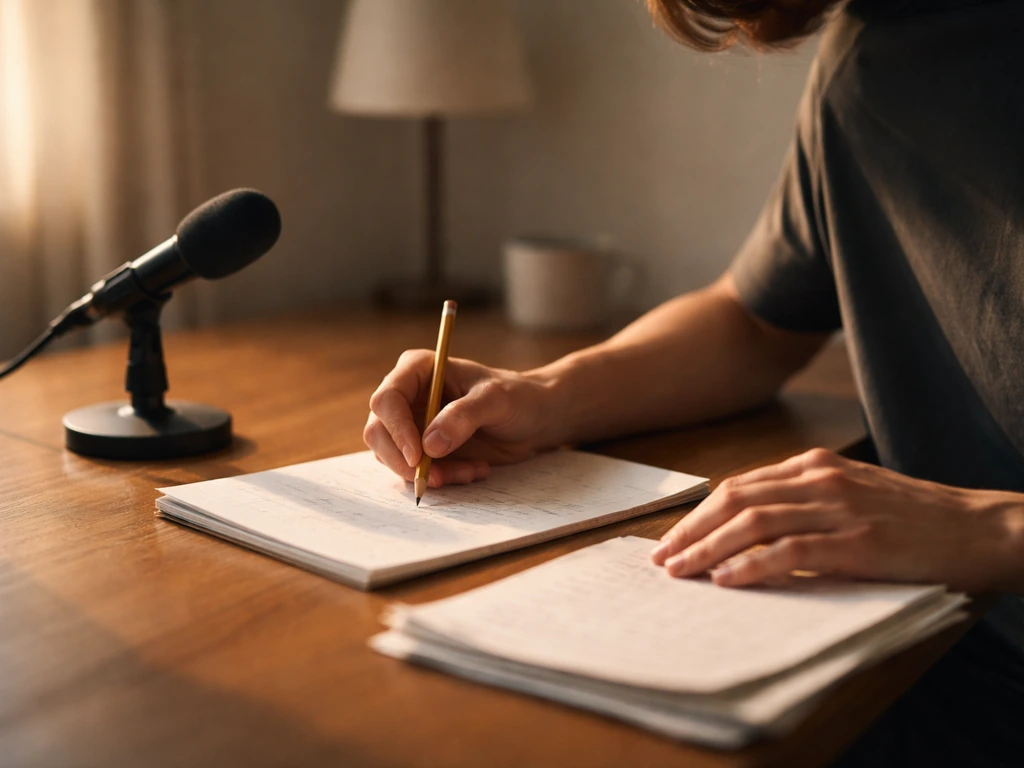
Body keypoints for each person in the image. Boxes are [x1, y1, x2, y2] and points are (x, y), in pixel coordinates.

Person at [364, 0, 1024, 763]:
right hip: (942, 644)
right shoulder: (870, 58)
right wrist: (547, 397)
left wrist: (991, 530)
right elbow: (755, 319)